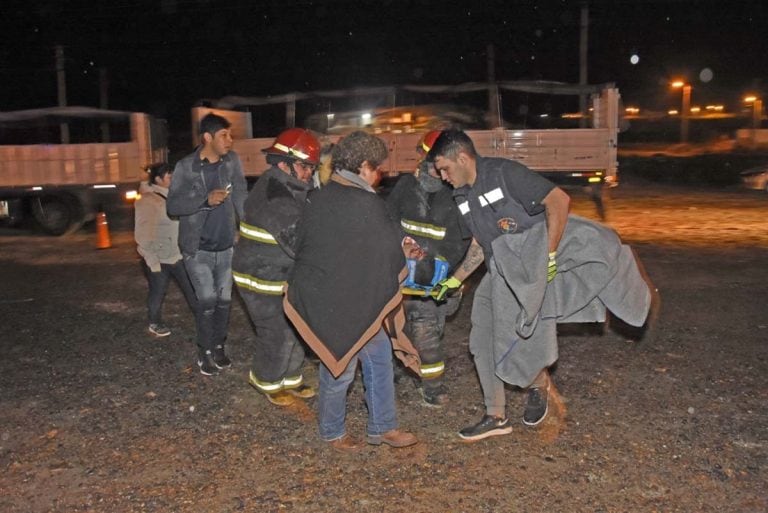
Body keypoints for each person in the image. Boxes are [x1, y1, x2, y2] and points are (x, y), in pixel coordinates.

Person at [426, 129, 656, 441]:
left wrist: (547, 255)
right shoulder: (461, 196)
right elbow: (481, 244)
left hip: (529, 268)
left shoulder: (505, 174)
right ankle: (496, 416)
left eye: (444, 168)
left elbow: (558, 200)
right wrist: (455, 279)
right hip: (499, 270)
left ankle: (539, 386)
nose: (442, 176)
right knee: (481, 340)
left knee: (523, 336)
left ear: (463, 158)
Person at [284, 131, 420, 452]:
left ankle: (382, 428)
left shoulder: (320, 196)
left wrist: (400, 244)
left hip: (351, 296)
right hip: (336, 299)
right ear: (362, 165)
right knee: (340, 362)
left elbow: (379, 241)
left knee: (379, 357)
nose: (380, 175)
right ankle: (332, 432)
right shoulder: (361, 202)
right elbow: (380, 248)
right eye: (378, 168)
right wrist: (403, 254)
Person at [232, 128, 320, 406]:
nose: (309, 173)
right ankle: (266, 381)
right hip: (259, 276)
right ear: (284, 162)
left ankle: (290, 378)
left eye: (312, 168)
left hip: (281, 273)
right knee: (274, 331)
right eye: (306, 167)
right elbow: (298, 242)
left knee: (294, 326)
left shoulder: (292, 188)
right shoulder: (275, 194)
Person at [385, 130, 471, 406]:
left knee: (428, 332)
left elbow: (466, 241)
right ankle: (399, 368)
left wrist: (453, 275)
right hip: (401, 274)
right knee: (394, 328)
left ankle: (432, 386)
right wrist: (401, 248)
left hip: (436, 278)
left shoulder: (459, 192)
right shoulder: (405, 187)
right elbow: (387, 222)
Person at [167, 113, 247, 376]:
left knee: (224, 302)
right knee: (207, 301)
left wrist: (249, 229)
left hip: (226, 247)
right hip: (197, 249)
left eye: (230, 135)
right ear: (207, 137)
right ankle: (205, 351)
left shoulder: (231, 162)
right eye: (224, 135)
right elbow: (173, 206)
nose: (230, 140)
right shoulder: (186, 167)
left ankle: (219, 346)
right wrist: (204, 199)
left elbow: (241, 196)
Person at [134, 163, 197, 337]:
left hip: (176, 254)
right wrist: (152, 261)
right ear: (158, 179)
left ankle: (203, 319)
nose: (174, 179)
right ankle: (154, 322)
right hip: (158, 258)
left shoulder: (171, 196)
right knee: (158, 291)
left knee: (191, 289)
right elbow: (143, 234)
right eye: (170, 176)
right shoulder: (148, 201)